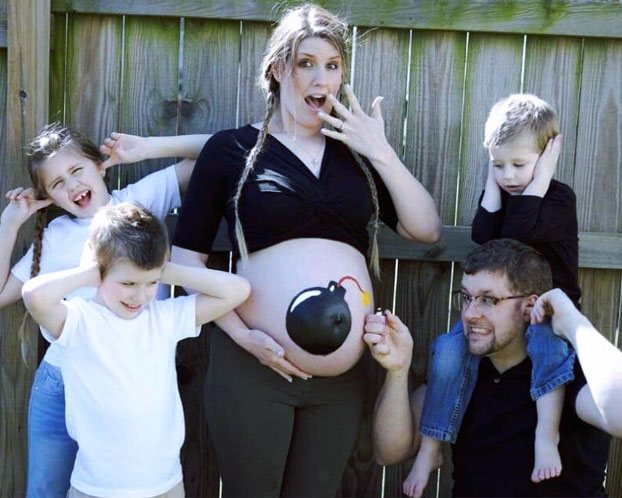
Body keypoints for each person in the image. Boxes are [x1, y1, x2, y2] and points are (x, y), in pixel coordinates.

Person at [171, 4, 441, 496]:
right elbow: (187, 263)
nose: (321, 77)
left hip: (340, 383)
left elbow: (426, 229)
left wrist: (380, 149)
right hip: (253, 363)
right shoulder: (230, 151)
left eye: (332, 65)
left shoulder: (357, 156)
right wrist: (243, 336)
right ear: (278, 71)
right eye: (306, 63)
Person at [0, 123, 210, 497]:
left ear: (100, 166)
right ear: (48, 196)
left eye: (77, 170)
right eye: (57, 183)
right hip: (62, 380)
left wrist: (145, 148)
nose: (72, 185)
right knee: (46, 489)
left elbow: (216, 151)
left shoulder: (137, 203)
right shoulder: (53, 237)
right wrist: (11, 223)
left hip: (128, 381)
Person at [404, 94, 580, 497]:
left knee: (547, 347)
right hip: (502, 306)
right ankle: (430, 446)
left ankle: (545, 435)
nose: (509, 175)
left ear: (547, 153)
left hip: (550, 306)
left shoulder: (558, 198)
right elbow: (485, 238)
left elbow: (519, 234)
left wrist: (544, 176)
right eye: (498, 164)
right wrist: (492, 179)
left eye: (520, 164)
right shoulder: (504, 193)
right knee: (449, 350)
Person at [21, 203, 250, 498]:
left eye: (151, 283)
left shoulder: (164, 318)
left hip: (165, 485)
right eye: (128, 282)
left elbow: (237, 289)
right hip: (96, 488)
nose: (139, 295)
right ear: (99, 268)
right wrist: (93, 271)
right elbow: (34, 295)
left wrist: (164, 269)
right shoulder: (79, 321)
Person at [367, 239, 620, 497]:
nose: (469, 313)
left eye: (488, 300)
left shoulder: (565, 370)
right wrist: (397, 371)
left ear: (529, 306)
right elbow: (389, 452)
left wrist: (572, 320)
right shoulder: (458, 372)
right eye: (466, 298)